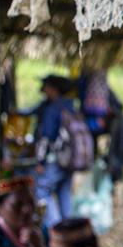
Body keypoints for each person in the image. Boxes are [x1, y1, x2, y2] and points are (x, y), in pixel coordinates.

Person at [33, 74, 77, 227]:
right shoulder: (70, 105)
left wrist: (40, 161)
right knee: (64, 195)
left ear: (53, 89)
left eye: (46, 87)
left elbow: (46, 137)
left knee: (42, 191)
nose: (43, 90)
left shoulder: (52, 109)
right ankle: (69, 232)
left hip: (55, 159)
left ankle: (56, 231)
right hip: (70, 159)